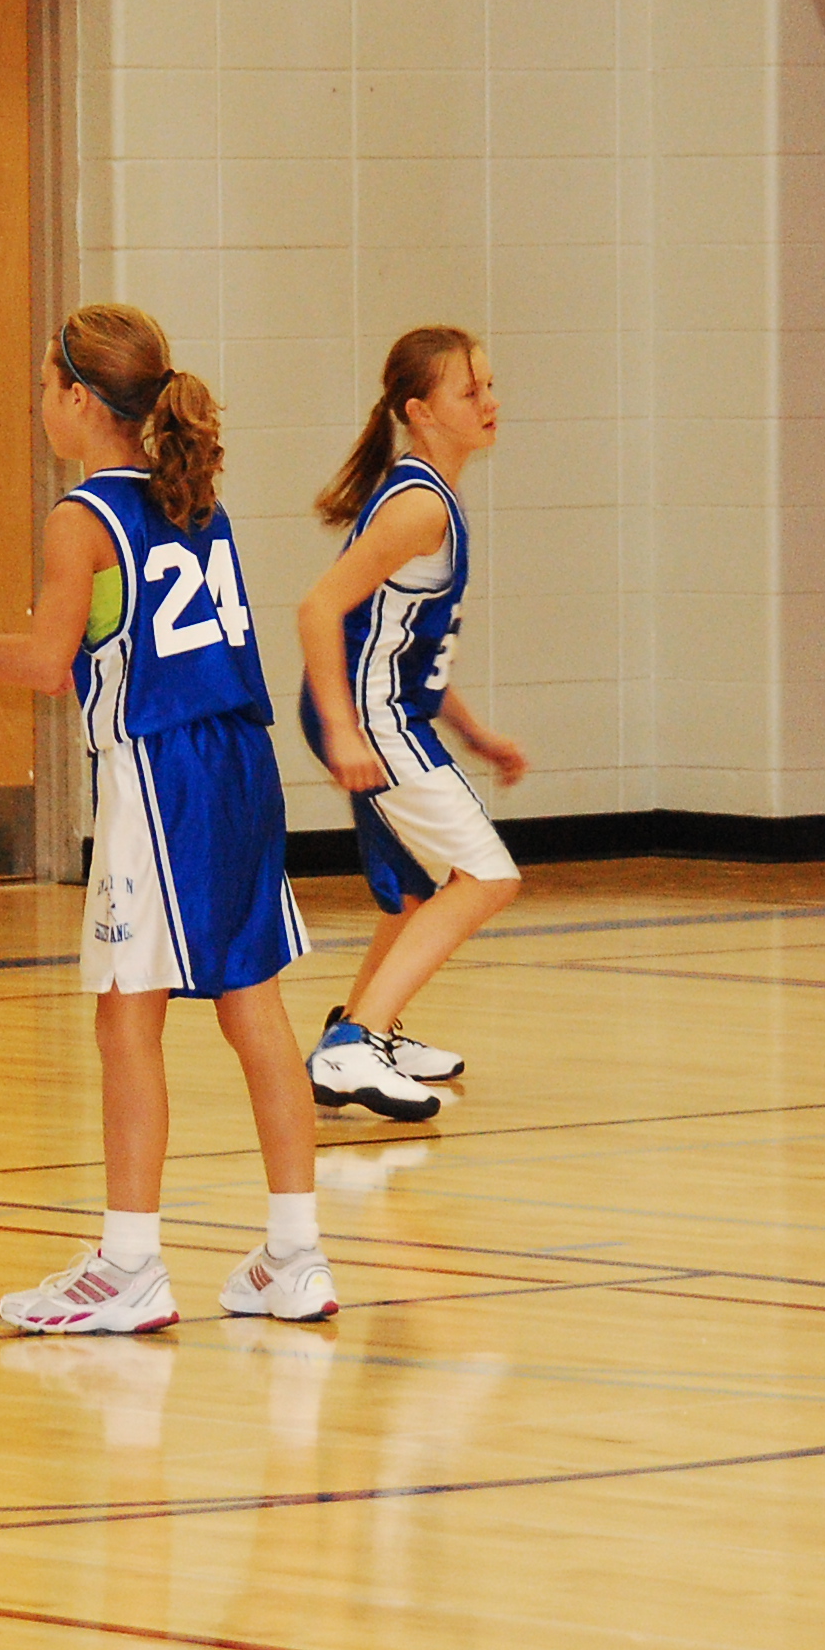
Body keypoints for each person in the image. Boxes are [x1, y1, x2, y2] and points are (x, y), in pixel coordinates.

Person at [0, 303, 339, 1333]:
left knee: (125, 1014)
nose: (38, 402)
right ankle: (296, 1254)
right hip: (241, 761)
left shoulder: (83, 519)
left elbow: (44, 667)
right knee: (253, 1005)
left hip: (161, 771)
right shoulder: (190, 494)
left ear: (79, 398)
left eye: (44, 384)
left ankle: (127, 1264)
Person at [297, 326, 529, 1117]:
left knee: (410, 896)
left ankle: (372, 1029)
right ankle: (353, 1045)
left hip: (381, 707)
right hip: (370, 716)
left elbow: (404, 644)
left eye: (489, 385)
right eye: (471, 391)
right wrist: (343, 728)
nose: (490, 402)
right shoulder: (420, 505)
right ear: (421, 412)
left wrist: (473, 731)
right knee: (488, 876)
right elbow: (319, 610)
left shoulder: (429, 495)